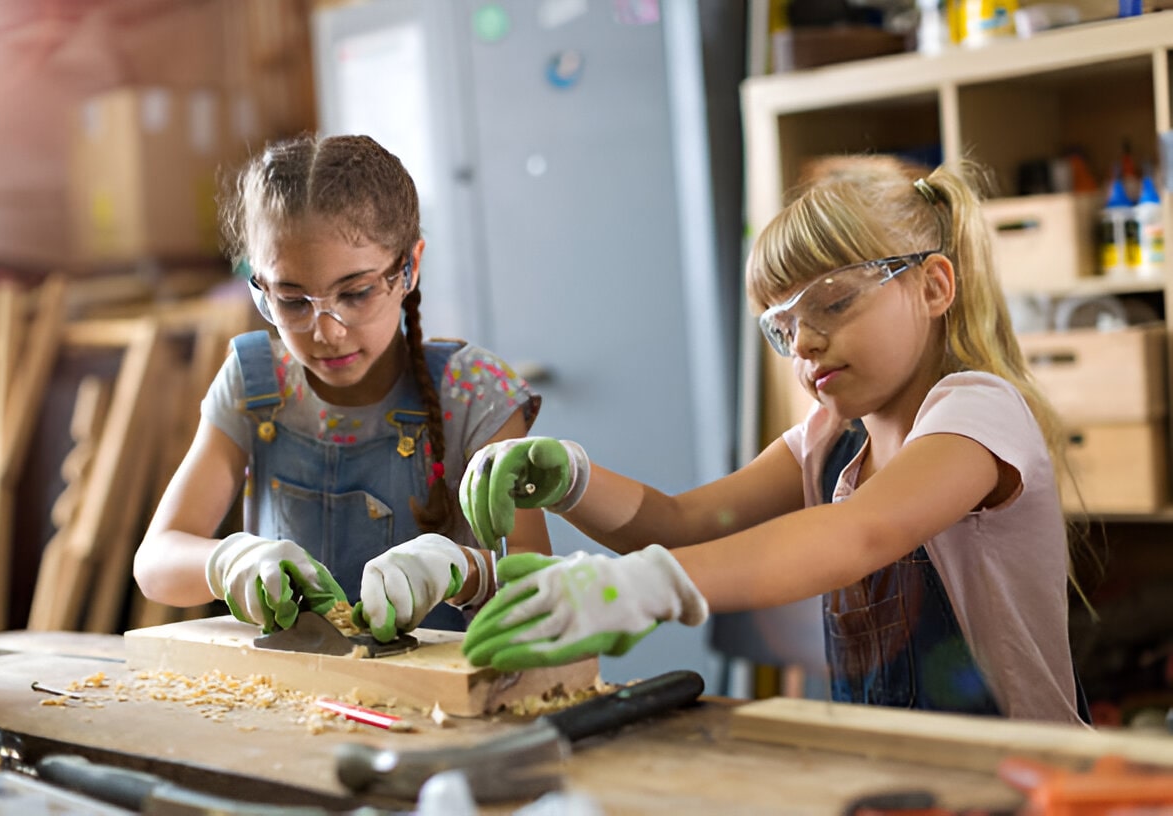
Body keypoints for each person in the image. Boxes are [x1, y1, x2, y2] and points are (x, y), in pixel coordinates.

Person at [457, 155, 1091, 724]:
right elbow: (683, 523)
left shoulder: (978, 411)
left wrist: (642, 587)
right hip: (899, 768)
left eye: (833, 303)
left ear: (932, 287)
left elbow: (862, 532)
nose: (806, 343)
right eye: (783, 328)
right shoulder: (826, 444)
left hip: (1025, 777)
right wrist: (573, 481)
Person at [134, 133, 550, 640]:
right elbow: (155, 561)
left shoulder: (472, 393)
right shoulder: (255, 384)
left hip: (434, 703)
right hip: (290, 695)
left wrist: (467, 571)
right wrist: (229, 561)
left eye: (355, 294)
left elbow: (538, 581)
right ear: (260, 285)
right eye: (291, 300)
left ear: (409, 267)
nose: (326, 331)